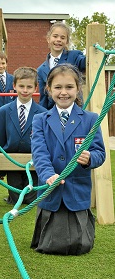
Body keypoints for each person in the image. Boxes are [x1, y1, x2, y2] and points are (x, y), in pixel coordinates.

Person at [31, 64, 105, 255]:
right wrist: (48, 174)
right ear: (48, 89)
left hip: (77, 191)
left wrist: (90, 158)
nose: (63, 92)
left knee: (81, 246)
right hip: (51, 190)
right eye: (57, 87)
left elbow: (100, 153)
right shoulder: (40, 119)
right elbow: (39, 153)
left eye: (69, 87)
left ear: (78, 88)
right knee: (49, 245)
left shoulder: (90, 119)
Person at [0, 67, 46, 205]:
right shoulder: (3, 111)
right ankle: (12, 197)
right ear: (14, 86)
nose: (25, 90)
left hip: (35, 161)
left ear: (35, 88)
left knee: (31, 199)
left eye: (29, 87)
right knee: (18, 198)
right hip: (11, 160)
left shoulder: (42, 113)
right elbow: (0, 139)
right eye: (21, 86)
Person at [37, 21, 86, 109]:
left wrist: (94, 40)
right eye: (55, 36)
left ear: (67, 41)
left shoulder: (74, 56)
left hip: (74, 109)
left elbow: (87, 62)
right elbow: (43, 99)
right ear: (48, 39)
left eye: (62, 37)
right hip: (53, 111)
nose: (58, 40)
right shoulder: (41, 69)